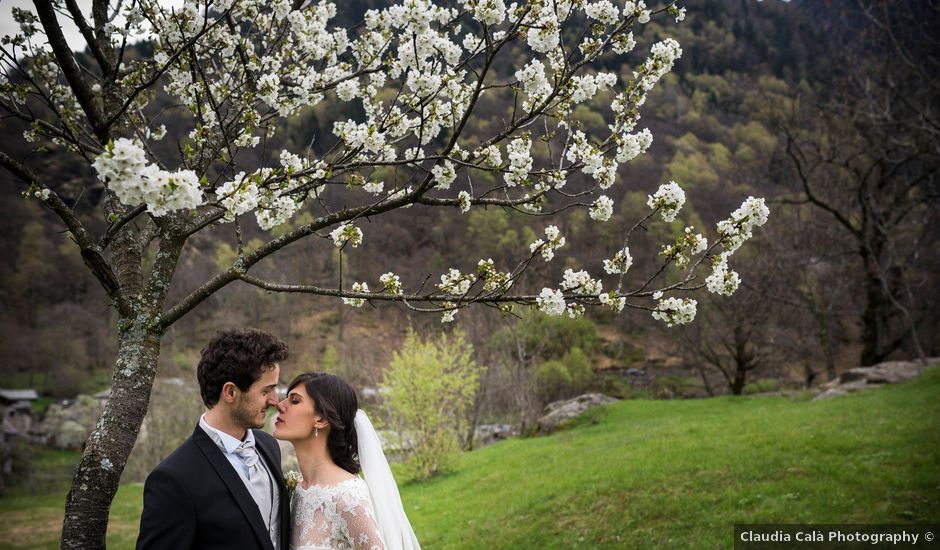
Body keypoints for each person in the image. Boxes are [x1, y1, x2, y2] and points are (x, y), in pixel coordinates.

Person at [136, 328, 291, 550]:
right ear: (230, 392)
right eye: (266, 391)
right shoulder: (174, 480)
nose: (276, 400)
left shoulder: (268, 445)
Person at [274, 372, 420, 550]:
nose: (279, 405)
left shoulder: (346, 496)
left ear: (321, 419)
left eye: (295, 401)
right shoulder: (300, 489)